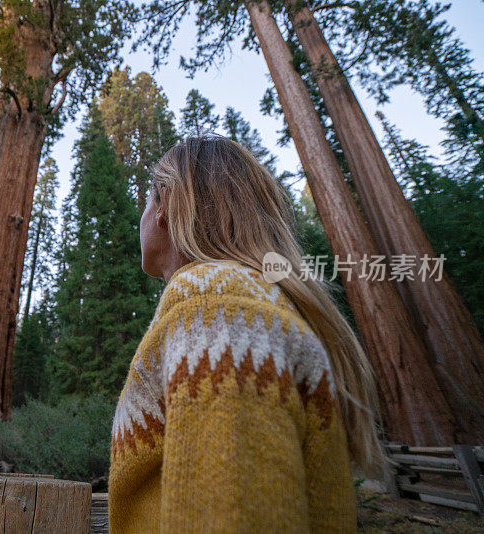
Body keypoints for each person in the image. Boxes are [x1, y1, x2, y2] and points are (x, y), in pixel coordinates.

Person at [108, 136, 379, 533]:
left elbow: (232, 513)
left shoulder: (217, 316)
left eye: (148, 200)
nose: (144, 216)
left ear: (164, 206)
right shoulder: (235, 308)